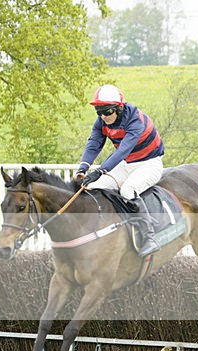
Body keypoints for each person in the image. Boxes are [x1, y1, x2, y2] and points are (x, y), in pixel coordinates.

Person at [75, 84, 165, 256]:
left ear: (119, 108)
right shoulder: (102, 121)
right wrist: (83, 168)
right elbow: (94, 143)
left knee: (127, 190)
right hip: (126, 164)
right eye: (99, 112)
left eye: (107, 111)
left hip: (149, 164)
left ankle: (149, 236)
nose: (103, 116)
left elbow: (123, 150)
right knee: (92, 187)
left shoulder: (135, 120)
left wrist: (100, 171)